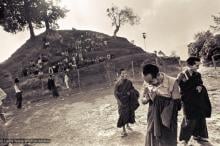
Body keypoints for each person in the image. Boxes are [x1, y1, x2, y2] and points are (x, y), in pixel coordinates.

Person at [141, 64, 181, 146]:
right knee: (152, 135)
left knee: (167, 138)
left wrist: (161, 101)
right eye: (147, 82)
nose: (149, 84)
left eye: (151, 81)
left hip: (167, 116)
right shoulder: (147, 83)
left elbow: (177, 104)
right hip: (152, 115)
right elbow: (143, 100)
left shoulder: (172, 82)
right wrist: (148, 98)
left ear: (158, 75)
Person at [177, 56, 211, 145]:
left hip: (198, 100)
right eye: (196, 65)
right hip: (187, 100)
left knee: (200, 117)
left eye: (199, 65)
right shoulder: (182, 75)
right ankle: (185, 139)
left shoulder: (198, 74)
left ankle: (198, 135)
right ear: (190, 65)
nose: (198, 67)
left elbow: (200, 82)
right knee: (189, 118)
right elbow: (177, 86)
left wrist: (200, 86)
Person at [114, 69, 140, 137]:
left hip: (128, 101)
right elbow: (115, 93)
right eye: (123, 73)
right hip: (122, 102)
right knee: (122, 115)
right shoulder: (117, 83)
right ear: (120, 74)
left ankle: (128, 125)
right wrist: (119, 102)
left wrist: (131, 93)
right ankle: (124, 130)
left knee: (129, 113)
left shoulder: (129, 82)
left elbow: (132, 89)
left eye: (125, 73)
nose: (124, 74)